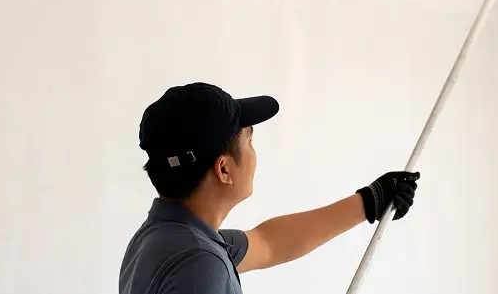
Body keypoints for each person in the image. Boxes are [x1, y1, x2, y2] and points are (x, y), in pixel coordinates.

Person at [119, 82, 420, 294]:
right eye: (249, 141)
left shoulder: (165, 236)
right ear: (224, 169)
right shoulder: (200, 264)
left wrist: (370, 201)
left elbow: (268, 243)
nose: (254, 152)